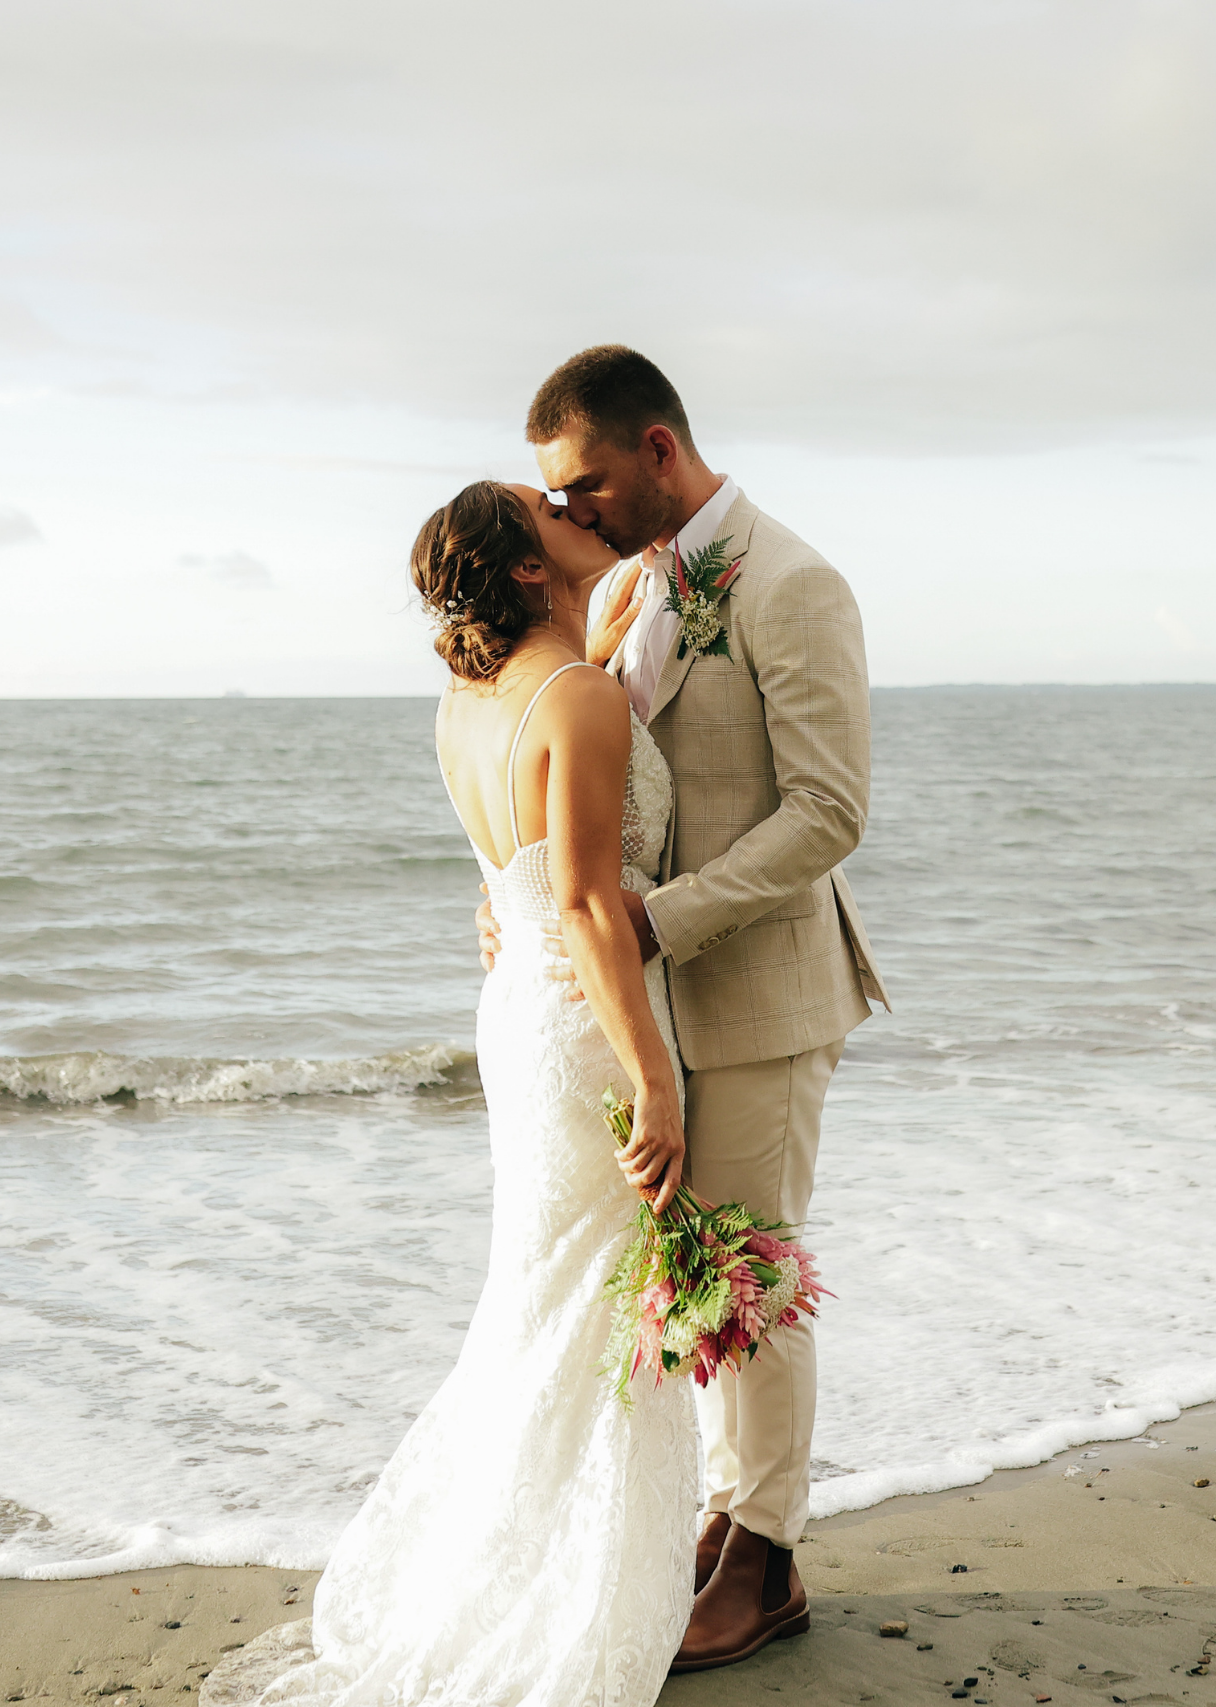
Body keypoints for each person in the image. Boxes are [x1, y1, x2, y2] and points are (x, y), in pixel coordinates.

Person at [227, 477, 698, 1706]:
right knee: (584, 1308)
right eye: (545, 509)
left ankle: (501, 1570)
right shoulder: (580, 698)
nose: (567, 503)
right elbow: (591, 905)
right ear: (530, 569)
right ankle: (556, 1602)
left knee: (545, 1299)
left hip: (519, 1017)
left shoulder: (476, 693)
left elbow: (520, 874)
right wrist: (656, 1078)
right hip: (582, 1022)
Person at [501, 345, 887, 1670]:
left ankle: (770, 1554)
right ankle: (729, 1517)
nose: (581, 508)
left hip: (767, 990)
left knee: (753, 1272)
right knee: (692, 1273)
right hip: (662, 1007)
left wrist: (656, 920)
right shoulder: (634, 590)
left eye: (591, 480)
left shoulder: (793, 582)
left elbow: (830, 811)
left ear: (658, 449)